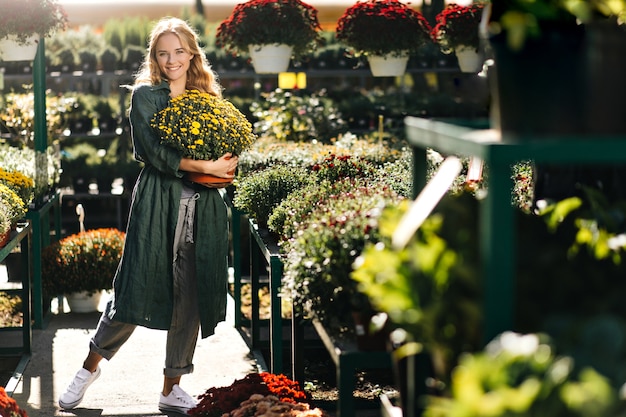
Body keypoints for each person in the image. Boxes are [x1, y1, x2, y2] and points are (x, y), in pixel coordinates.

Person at [58, 17, 238, 414]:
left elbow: (228, 150)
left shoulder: (208, 98)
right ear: (155, 58)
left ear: (191, 53)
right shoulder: (145, 97)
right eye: (163, 53)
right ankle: (88, 369)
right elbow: (152, 154)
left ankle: (171, 387)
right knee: (134, 291)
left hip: (202, 209)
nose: (172, 60)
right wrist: (205, 167)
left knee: (189, 296)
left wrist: (224, 168)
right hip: (159, 204)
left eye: (178, 51)